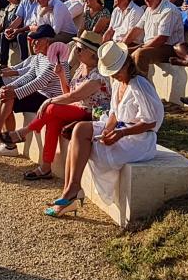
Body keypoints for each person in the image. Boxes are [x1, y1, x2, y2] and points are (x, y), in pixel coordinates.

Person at [44, 41, 163, 218]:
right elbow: (114, 113)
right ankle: (71, 188)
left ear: (127, 64)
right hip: (122, 130)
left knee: (85, 137)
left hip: (139, 139)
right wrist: (108, 130)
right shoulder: (118, 83)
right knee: (80, 129)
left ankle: (70, 194)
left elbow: (151, 123)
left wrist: (121, 133)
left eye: (116, 72)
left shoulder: (140, 85)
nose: (114, 77)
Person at [1, 31, 111, 180]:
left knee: (51, 108)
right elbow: (69, 92)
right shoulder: (81, 68)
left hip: (93, 113)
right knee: (53, 121)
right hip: (79, 108)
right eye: (76, 48)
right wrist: (61, 76)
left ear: (92, 53)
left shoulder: (99, 75)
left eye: (79, 49)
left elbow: (75, 96)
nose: (76, 51)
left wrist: (49, 100)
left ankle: (24, 132)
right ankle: (45, 167)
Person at [0, 24, 70, 152]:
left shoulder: (55, 59)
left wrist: (15, 92)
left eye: (37, 40)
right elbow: (30, 75)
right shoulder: (40, 57)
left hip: (51, 98)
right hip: (41, 94)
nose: (33, 43)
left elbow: (40, 82)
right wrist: (10, 87)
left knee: (9, 96)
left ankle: (0, 135)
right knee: (6, 94)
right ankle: (7, 143)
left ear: (47, 41)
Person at [124, 0, 184, 76]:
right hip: (151, 44)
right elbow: (137, 29)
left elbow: (161, 39)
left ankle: (142, 86)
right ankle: (128, 85)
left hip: (170, 48)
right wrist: (122, 45)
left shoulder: (168, 10)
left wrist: (139, 48)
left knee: (140, 54)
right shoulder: (149, 9)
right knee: (124, 52)